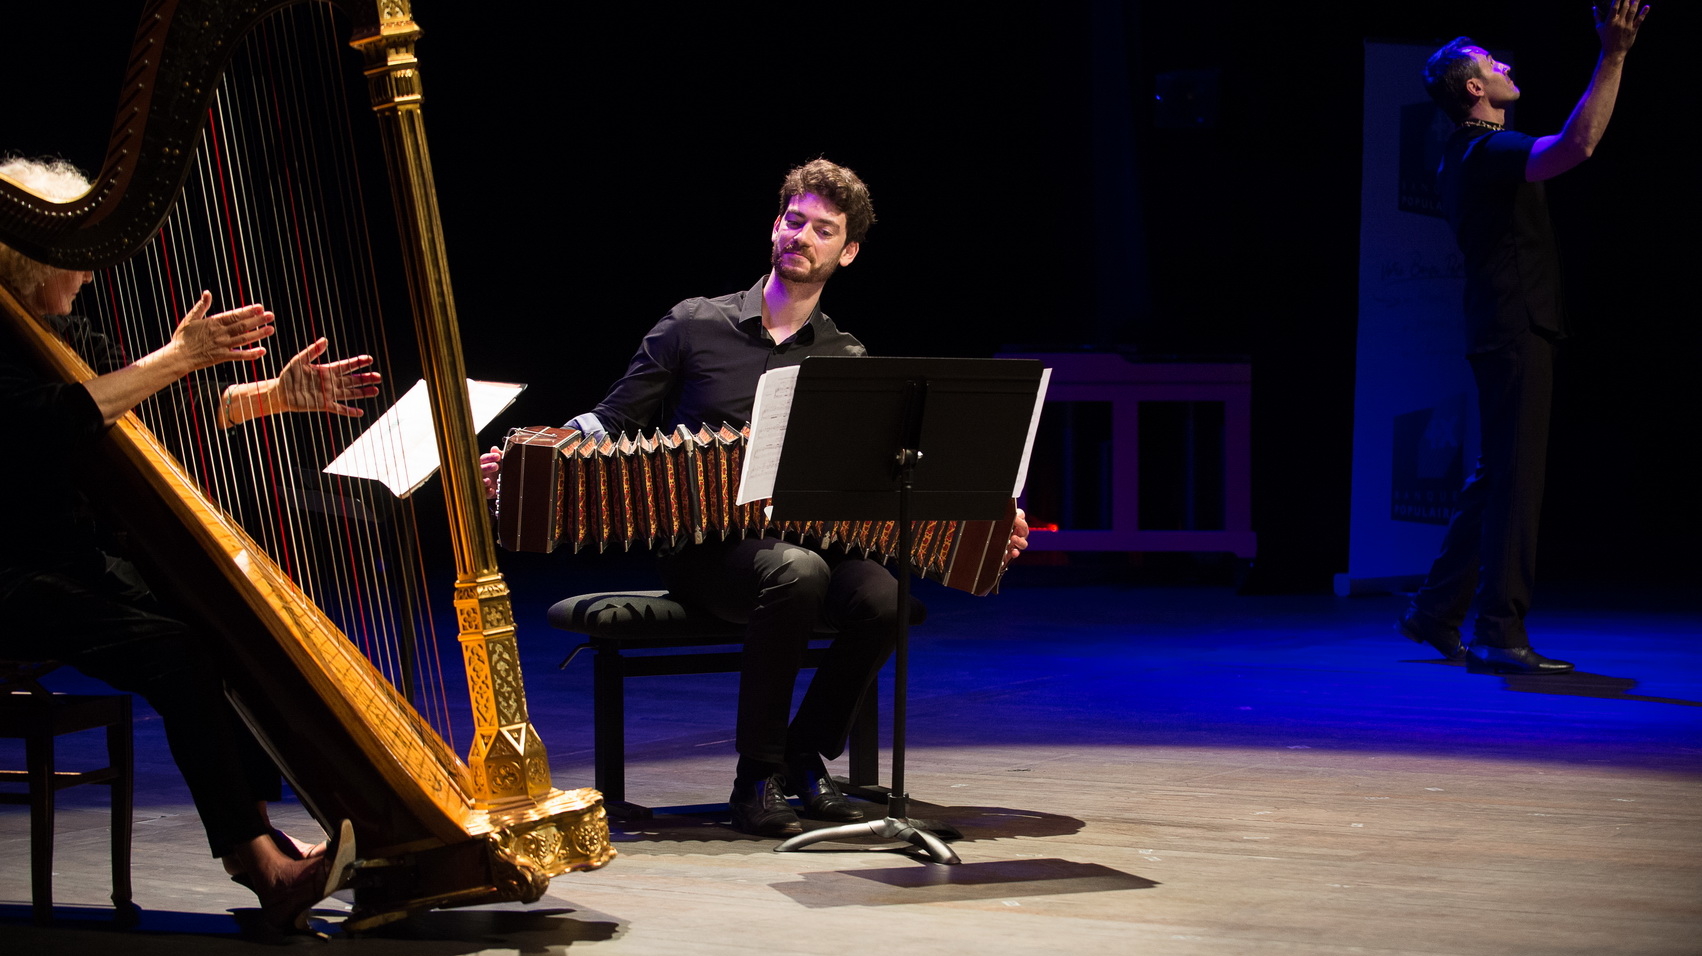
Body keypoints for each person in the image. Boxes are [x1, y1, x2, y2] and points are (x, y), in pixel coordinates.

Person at [482, 158, 1029, 837]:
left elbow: (881, 474)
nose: (803, 236)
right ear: (775, 226)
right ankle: (756, 778)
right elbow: (614, 419)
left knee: (885, 599)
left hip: (807, 545)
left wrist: (987, 511)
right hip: (706, 551)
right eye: (795, 220)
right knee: (797, 572)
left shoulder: (846, 358)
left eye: (823, 230)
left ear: (847, 252)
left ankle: (804, 756)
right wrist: (530, 458)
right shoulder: (693, 323)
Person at [0, 156, 381, 930]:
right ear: (32, 259)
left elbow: (144, 408)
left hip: (67, 559)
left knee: (215, 625)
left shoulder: (60, 332)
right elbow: (57, 420)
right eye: (76, 258)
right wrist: (175, 355)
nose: (89, 275)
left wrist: (275, 395)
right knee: (173, 651)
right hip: (11, 572)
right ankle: (263, 868)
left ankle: (262, 840)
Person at [1400, 3, 1649, 675]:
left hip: (1503, 325)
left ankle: (1433, 612)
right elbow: (1577, 146)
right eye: (1490, 63)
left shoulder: (1468, 154)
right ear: (1473, 88)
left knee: (1497, 476)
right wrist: (1614, 54)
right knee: (1515, 483)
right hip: (1513, 327)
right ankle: (1499, 631)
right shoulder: (1482, 149)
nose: (1505, 65)